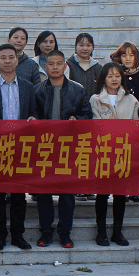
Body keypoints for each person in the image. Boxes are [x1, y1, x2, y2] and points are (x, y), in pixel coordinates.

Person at [29, 49, 93, 249]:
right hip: (45, 149)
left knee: (67, 194)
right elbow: (32, 114)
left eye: (59, 63)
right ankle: (46, 232)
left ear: (65, 66)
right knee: (44, 193)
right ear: (45, 67)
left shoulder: (78, 89)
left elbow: (87, 116)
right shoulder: (36, 90)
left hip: (69, 149)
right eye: (51, 64)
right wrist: (33, 120)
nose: (55, 67)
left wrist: (78, 120)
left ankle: (65, 233)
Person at [0, 44, 35, 251]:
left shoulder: (28, 87)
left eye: (11, 57)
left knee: (19, 195)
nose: (8, 61)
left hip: (21, 148)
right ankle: (0, 235)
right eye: (3, 57)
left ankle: (18, 235)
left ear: (17, 60)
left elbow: (34, 114)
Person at [89, 62, 139, 247]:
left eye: (117, 75)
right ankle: (101, 231)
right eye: (110, 76)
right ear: (104, 78)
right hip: (103, 152)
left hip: (123, 153)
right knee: (102, 194)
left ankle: (118, 231)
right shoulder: (95, 99)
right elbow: (96, 125)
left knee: (120, 195)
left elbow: (136, 126)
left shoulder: (131, 100)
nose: (114, 79)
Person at [66, 33, 103, 201]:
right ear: (75, 46)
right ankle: (76, 186)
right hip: (75, 115)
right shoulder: (68, 65)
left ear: (93, 47)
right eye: (81, 45)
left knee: (91, 152)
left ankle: (89, 186)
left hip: (94, 115)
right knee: (76, 152)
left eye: (88, 45)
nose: (85, 48)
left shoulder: (98, 68)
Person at [111, 41, 139, 203]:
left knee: (135, 158)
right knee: (120, 158)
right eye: (124, 54)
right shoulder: (116, 75)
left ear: (136, 56)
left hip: (138, 122)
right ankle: (120, 190)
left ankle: (135, 190)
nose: (127, 58)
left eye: (131, 54)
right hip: (119, 122)